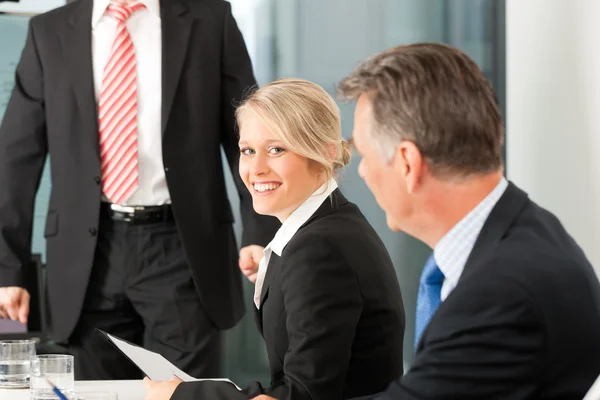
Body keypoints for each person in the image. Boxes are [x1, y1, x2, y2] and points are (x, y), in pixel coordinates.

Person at [0, 0, 280, 380]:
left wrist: (260, 229)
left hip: (183, 250)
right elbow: (16, 157)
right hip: (86, 258)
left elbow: (247, 135)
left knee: (185, 392)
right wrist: (7, 270)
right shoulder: (49, 32)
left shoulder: (210, 20)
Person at [334, 42, 600, 399]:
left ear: (407, 164)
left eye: (364, 155)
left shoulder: (502, 293)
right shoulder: (528, 229)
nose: (362, 171)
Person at [144, 78, 406, 400]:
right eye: (248, 150)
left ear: (323, 152)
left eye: (276, 149)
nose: (256, 168)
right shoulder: (330, 226)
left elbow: (300, 396)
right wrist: (277, 274)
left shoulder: (318, 249)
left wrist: (182, 396)